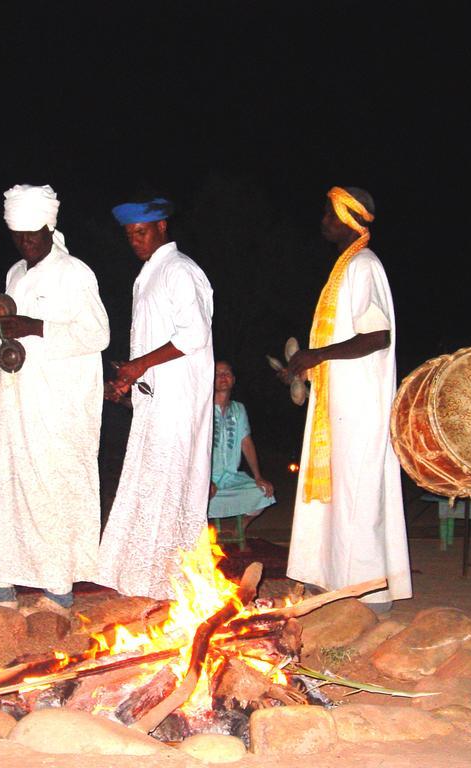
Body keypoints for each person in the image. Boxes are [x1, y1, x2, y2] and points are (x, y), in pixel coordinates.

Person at [0, 184, 109, 616]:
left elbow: (97, 334)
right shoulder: (14, 276)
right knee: (2, 486)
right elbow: (6, 334)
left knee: (52, 489)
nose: (27, 242)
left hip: (56, 406)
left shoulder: (75, 273)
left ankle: (58, 590)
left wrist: (35, 326)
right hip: (12, 400)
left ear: (50, 227)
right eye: (19, 234)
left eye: (34, 233)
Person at [283, 186, 411, 613]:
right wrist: (307, 364)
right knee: (341, 496)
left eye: (328, 214)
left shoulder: (364, 266)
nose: (323, 221)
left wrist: (316, 354)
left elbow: (378, 335)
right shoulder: (346, 267)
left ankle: (369, 596)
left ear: (347, 218)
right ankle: (338, 582)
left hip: (361, 407)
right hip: (340, 405)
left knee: (358, 496)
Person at [98, 197, 214, 600]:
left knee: (171, 484)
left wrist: (139, 366)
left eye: (141, 232)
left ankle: (173, 584)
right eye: (129, 235)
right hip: (155, 399)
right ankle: (145, 580)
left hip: (179, 401)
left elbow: (193, 334)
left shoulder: (180, 270)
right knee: (149, 484)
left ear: (163, 227)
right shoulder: (149, 273)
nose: (135, 240)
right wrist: (129, 379)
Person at [208, 361, 275, 526]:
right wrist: (205, 480)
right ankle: (205, 532)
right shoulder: (203, 408)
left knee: (264, 492)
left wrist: (258, 476)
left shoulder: (239, 409)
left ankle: (241, 526)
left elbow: (246, 442)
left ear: (233, 379)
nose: (223, 377)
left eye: (227, 373)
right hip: (207, 479)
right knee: (196, 496)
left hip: (231, 477)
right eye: (217, 374)